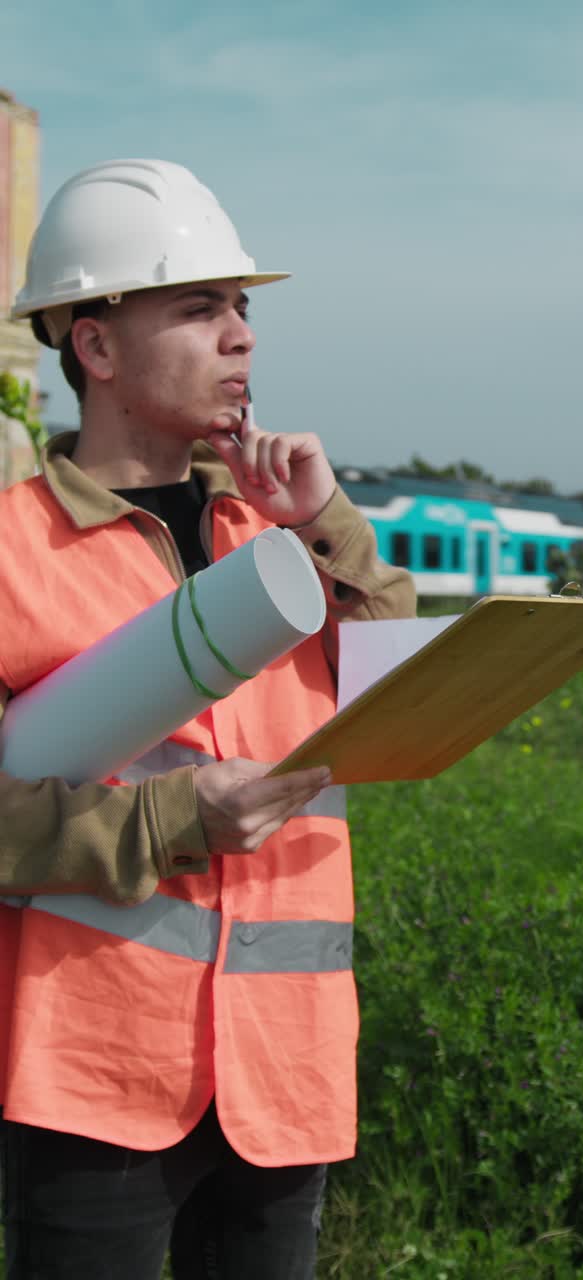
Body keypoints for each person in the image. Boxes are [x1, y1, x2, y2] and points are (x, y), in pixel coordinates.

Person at [0, 158, 416, 1279]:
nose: (242, 336)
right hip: (97, 1078)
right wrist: (171, 818)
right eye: (199, 308)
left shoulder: (282, 531)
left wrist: (327, 521)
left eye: (241, 307)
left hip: (287, 1071)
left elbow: (399, 684)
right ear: (95, 347)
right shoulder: (11, 549)